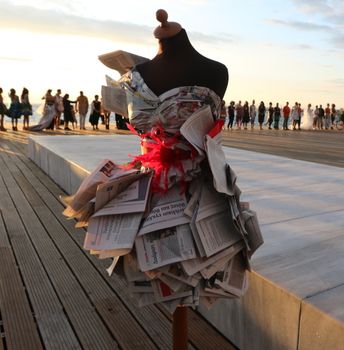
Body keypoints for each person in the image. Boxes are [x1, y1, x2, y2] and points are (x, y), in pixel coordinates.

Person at [63, 10, 260, 310]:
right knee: (165, 272)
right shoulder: (198, 73)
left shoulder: (214, 72)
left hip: (201, 192)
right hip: (155, 191)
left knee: (200, 268)